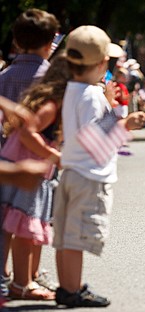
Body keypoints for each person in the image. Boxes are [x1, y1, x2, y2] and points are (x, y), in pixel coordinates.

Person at [52, 25, 145, 308]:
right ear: (102, 63)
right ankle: (72, 290)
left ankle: (65, 286)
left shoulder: (72, 89)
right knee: (77, 238)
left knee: (65, 236)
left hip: (70, 171)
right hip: (88, 175)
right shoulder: (92, 96)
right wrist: (127, 124)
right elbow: (96, 140)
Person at [0, 53, 70, 300]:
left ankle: (24, 279)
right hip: (24, 168)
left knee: (25, 228)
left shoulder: (52, 103)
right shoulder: (50, 105)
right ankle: (21, 283)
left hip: (27, 168)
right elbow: (28, 131)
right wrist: (52, 153)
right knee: (23, 228)